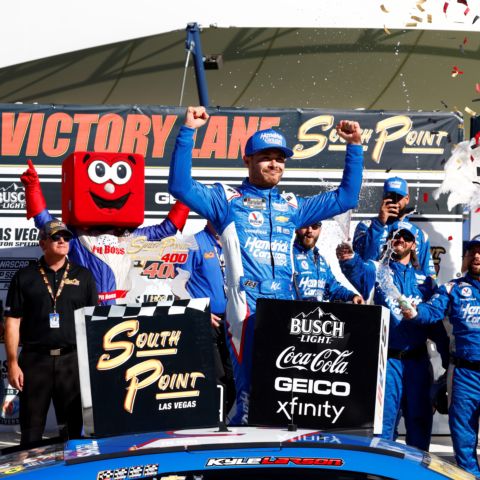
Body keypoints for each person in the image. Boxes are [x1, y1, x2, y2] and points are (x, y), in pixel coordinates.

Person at [168, 106, 364, 424]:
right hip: (246, 307)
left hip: (284, 310)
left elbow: (346, 198)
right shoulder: (226, 200)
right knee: (249, 395)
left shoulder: (292, 205)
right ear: (247, 160)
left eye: (280, 158)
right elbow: (181, 187)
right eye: (265, 157)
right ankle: (235, 461)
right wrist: (188, 131)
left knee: (282, 396)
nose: (274, 164)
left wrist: (354, 146)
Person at [337, 223, 448, 451]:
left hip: (418, 362)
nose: (399, 240)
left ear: (414, 244)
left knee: (419, 424)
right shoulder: (378, 270)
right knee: (384, 427)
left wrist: (448, 365)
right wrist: (348, 259)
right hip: (387, 363)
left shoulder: (426, 282)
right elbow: (356, 268)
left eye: (405, 237)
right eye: (395, 236)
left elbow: (436, 326)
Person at [21, 156, 189, 305]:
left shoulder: (129, 236)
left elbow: (167, 229)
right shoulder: (78, 235)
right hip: (86, 304)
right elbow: (46, 223)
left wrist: (186, 198)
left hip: (120, 305)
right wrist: (32, 187)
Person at [4, 219, 98, 446]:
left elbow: (92, 321)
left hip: (71, 360)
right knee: (31, 430)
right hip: (35, 361)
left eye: (66, 237)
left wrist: (93, 363)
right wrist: (13, 362)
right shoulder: (24, 277)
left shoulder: (83, 276)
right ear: (43, 243)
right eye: (56, 237)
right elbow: (13, 322)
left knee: (73, 432)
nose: (63, 241)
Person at [401, 235, 480, 475]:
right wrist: (415, 312)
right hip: (464, 373)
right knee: (463, 434)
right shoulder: (452, 288)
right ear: (466, 257)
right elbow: (431, 310)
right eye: (472, 251)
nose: (477, 256)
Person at [175, 220, 236, 414]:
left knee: (233, 372)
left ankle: (232, 417)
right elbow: (177, 286)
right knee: (214, 374)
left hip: (231, 320)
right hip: (206, 319)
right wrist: (200, 311)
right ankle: (214, 419)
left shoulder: (233, 242)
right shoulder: (192, 242)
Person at [353, 176, 435, 277]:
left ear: (407, 199)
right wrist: (379, 223)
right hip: (374, 288)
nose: (394, 202)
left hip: (406, 291)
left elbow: (428, 275)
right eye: (390, 196)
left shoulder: (419, 233)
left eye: (398, 197)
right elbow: (362, 260)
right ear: (383, 198)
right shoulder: (366, 225)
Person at [293, 221, 364, 304]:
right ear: (296, 228)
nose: (310, 230)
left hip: (313, 314)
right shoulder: (288, 255)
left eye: (315, 226)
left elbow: (332, 289)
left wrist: (352, 296)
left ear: (320, 229)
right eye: (305, 225)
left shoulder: (321, 260)